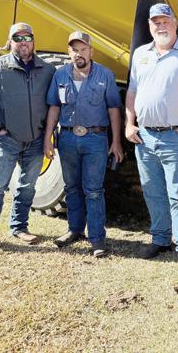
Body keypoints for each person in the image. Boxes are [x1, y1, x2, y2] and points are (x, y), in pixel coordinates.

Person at [125, 3, 178, 282]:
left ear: (175, 23)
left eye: (165, 21)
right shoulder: (141, 54)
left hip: (175, 137)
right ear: (150, 26)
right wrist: (129, 123)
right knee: (152, 191)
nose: (161, 26)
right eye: (156, 22)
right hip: (144, 136)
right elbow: (133, 90)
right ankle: (160, 239)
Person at [0, 22, 56, 257]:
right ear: (10, 42)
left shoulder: (47, 70)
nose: (23, 43)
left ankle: (19, 227)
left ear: (33, 41)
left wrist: (48, 135)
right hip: (7, 139)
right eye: (17, 38)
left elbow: (53, 103)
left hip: (36, 139)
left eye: (27, 38)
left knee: (28, 186)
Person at [44, 31, 124, 258]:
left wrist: (116, 141)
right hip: (68, 138)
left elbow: (113, 109)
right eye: (74, 50)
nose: (79, 54)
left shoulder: (105, 75)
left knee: (94, 190)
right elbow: (54, 107)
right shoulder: (60, 75)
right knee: (72, 187)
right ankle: (74, 230)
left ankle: (97, 239)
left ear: (91, 51)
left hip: (95, 139)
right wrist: (48, 138)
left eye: (83, 49)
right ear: (68, 52)